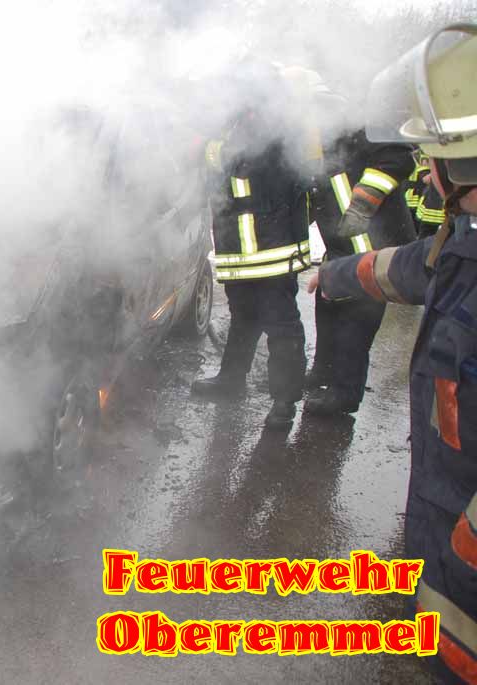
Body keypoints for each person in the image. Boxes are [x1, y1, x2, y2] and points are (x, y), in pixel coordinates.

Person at [310, 24, 477, 683]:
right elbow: (409, 267)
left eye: (432, 158)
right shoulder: (463, 245)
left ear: (456, 168)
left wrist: (458, 560)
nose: (426, 176)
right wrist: (336, 275)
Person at [192, 61, 311, 430]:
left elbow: (238, 164)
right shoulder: (238, 122)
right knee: (243, 316)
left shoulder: (273, 124)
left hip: (270, 248)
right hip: (240, 248)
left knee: (280, 323)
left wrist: (207, 145)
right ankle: (231, 380)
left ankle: (284, 402)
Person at [304, 75, 416, 415]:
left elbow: (400, 158)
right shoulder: (311, 146)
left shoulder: (356, 128)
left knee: (356, 323)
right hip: (341, 250)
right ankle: (322, 372)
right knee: (327, 307)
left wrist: (363, 203)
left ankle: (344, 395)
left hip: (374, 250)